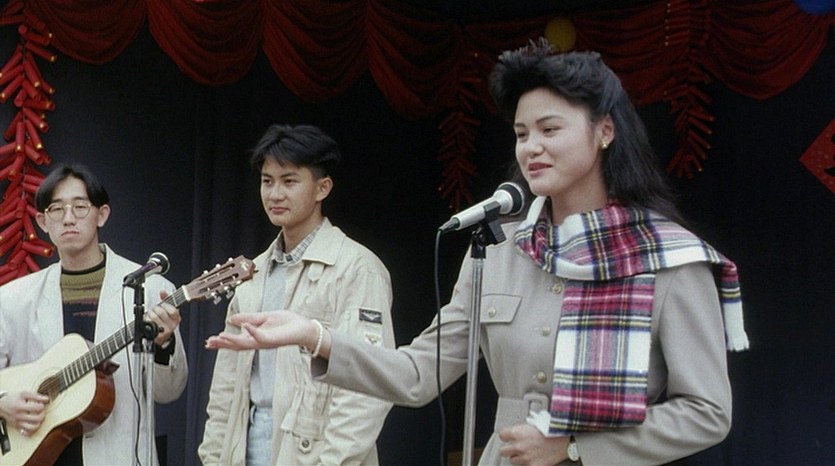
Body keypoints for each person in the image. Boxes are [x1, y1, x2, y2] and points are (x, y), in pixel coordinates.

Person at [205, 40, 750, 466]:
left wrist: (574, 445)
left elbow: (706, 412)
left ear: (604, 131)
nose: (531, 147)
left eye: (550, 129)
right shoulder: (499, 249)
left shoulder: (666, 258)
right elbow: (418, 374)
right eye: (521, 133)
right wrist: (312, 335)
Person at [191, 124, 395, 465]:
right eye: (267, 181)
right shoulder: (253, 273)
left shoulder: (357, 269)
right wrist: (213, 458)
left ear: (322, 188)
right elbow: (227, 386)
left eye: (289, 181)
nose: (274, 194)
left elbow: (367, 387)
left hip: (316, 452)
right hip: (247, 447)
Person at [0, 163, 188, 465]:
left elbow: (169, 392)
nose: (69, 218)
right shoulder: (13, 298)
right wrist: (3, 403)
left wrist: (164, 345)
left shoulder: (151, 290)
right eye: (57, 209)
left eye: (80, 207)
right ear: (43, 222)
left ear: (102, 214)